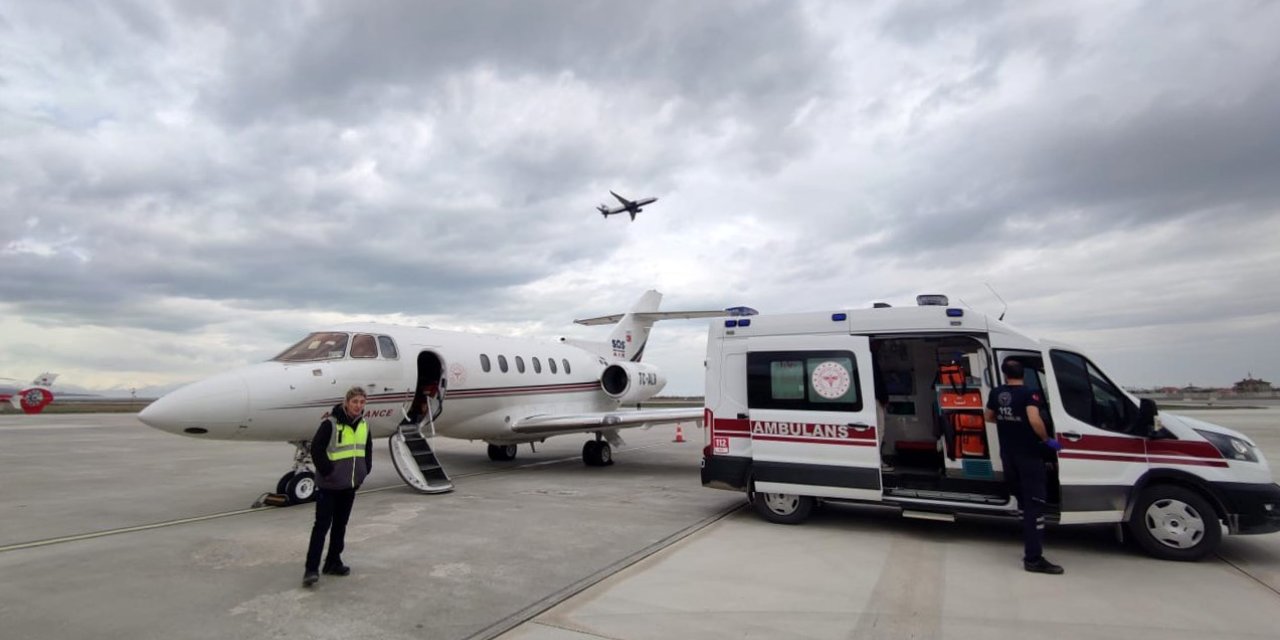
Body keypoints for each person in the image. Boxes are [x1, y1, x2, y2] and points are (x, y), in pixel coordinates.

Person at [985, 359, 1065, 575]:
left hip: (1008, 456)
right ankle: (1033, 558)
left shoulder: (995, 393)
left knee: (1023, 504)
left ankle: (1029, 542)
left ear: (1004, 374)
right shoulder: (1030, 393)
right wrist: (1047, 439)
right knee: (1035, 507)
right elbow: (1034, 419)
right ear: (1024, 374)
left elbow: (989, 417)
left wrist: (1008, 422)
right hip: (1029, 457)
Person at [303, 386, 374, 587]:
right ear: (346, 402)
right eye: (355, 402)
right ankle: (311, 569)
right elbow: (316, 449)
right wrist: (329, 473)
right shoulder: (330, 424)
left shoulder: (364, 425)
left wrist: (364, 471)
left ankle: (333, 562)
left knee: (340, 526)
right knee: (321, 527)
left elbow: (367, 450)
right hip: (329, 487)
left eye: (361, 402)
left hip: (349, 486)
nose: (358, 406)